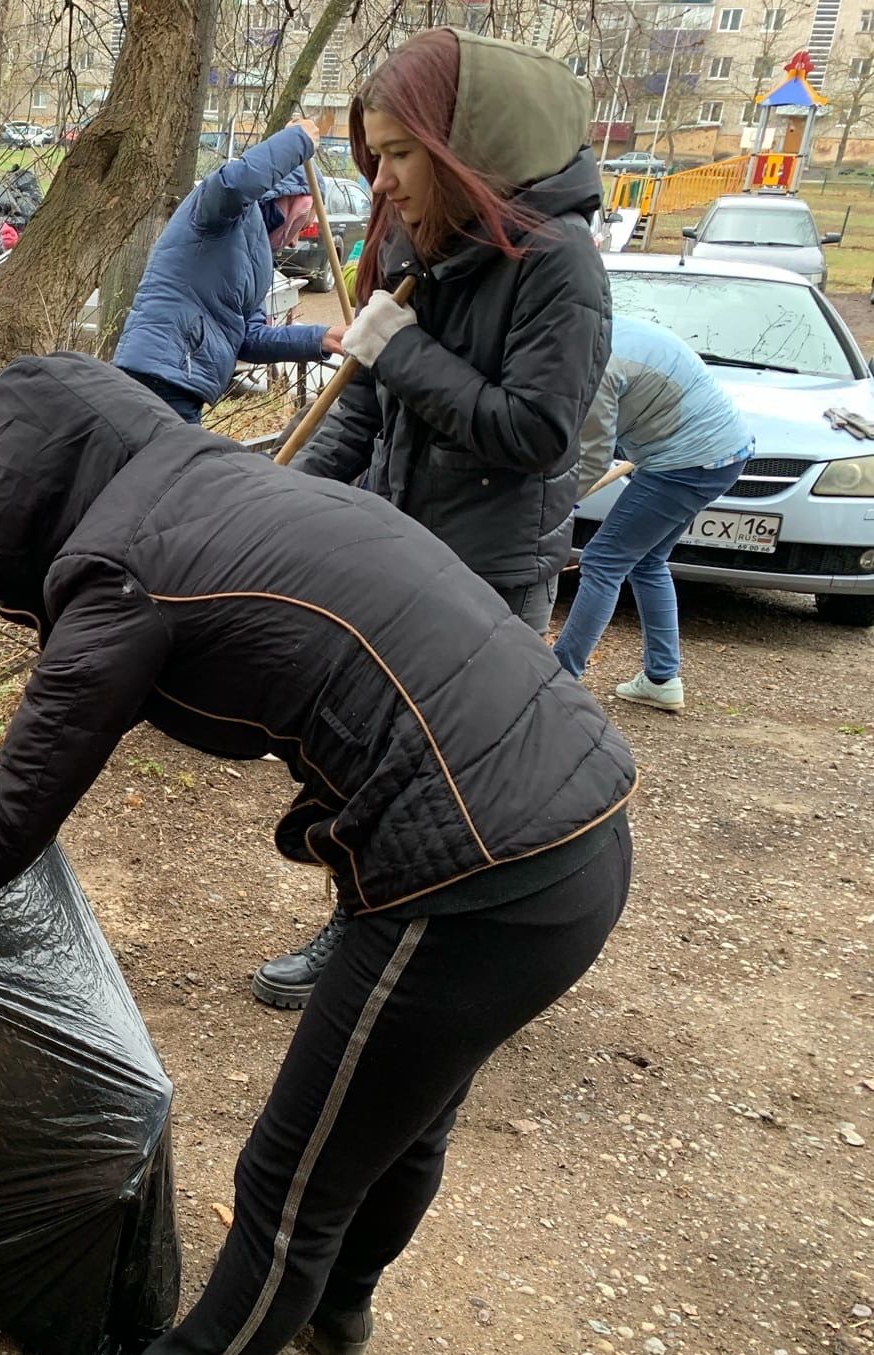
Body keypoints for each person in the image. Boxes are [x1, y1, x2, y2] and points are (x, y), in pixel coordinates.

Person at [0, 353, 636, 1355]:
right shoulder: (216, 482)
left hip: (476, 874)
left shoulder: (118, 574)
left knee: (291, 1179)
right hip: (579, 828)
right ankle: (339, 1310)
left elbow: (18, 804)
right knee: (405, 1110)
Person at [260, 28, 611, 1011]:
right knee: (357, 761)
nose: (385, 182)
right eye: (376, 158)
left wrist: (400, 350)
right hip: (391, 556)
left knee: (464, 778)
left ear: (469, 149)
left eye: (403, 156)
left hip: (490, 572)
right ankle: (358, 931)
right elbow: (362, 412)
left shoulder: (559, 266)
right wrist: (291, 509)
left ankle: (474, 955)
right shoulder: (411, 247)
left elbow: (537, 433)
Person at [552, 315, 755, 711]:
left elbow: (592, 459)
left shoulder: (597, 369)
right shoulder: (605, 326)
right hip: (723, 451)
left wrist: (555, 505)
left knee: (602, 560)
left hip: (690, 461)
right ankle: (661, 677)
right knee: (647, 562)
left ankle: (560, 678)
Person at [112, 120, 345, 425]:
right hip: (156, 374)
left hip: (185, 386)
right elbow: (235, 184)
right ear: (294, 202)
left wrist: (323, 338)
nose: (297, 238)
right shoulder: (221, 211)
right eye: (305, 220)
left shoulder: (257, 256)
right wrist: (297, 141)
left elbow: (251, 338)